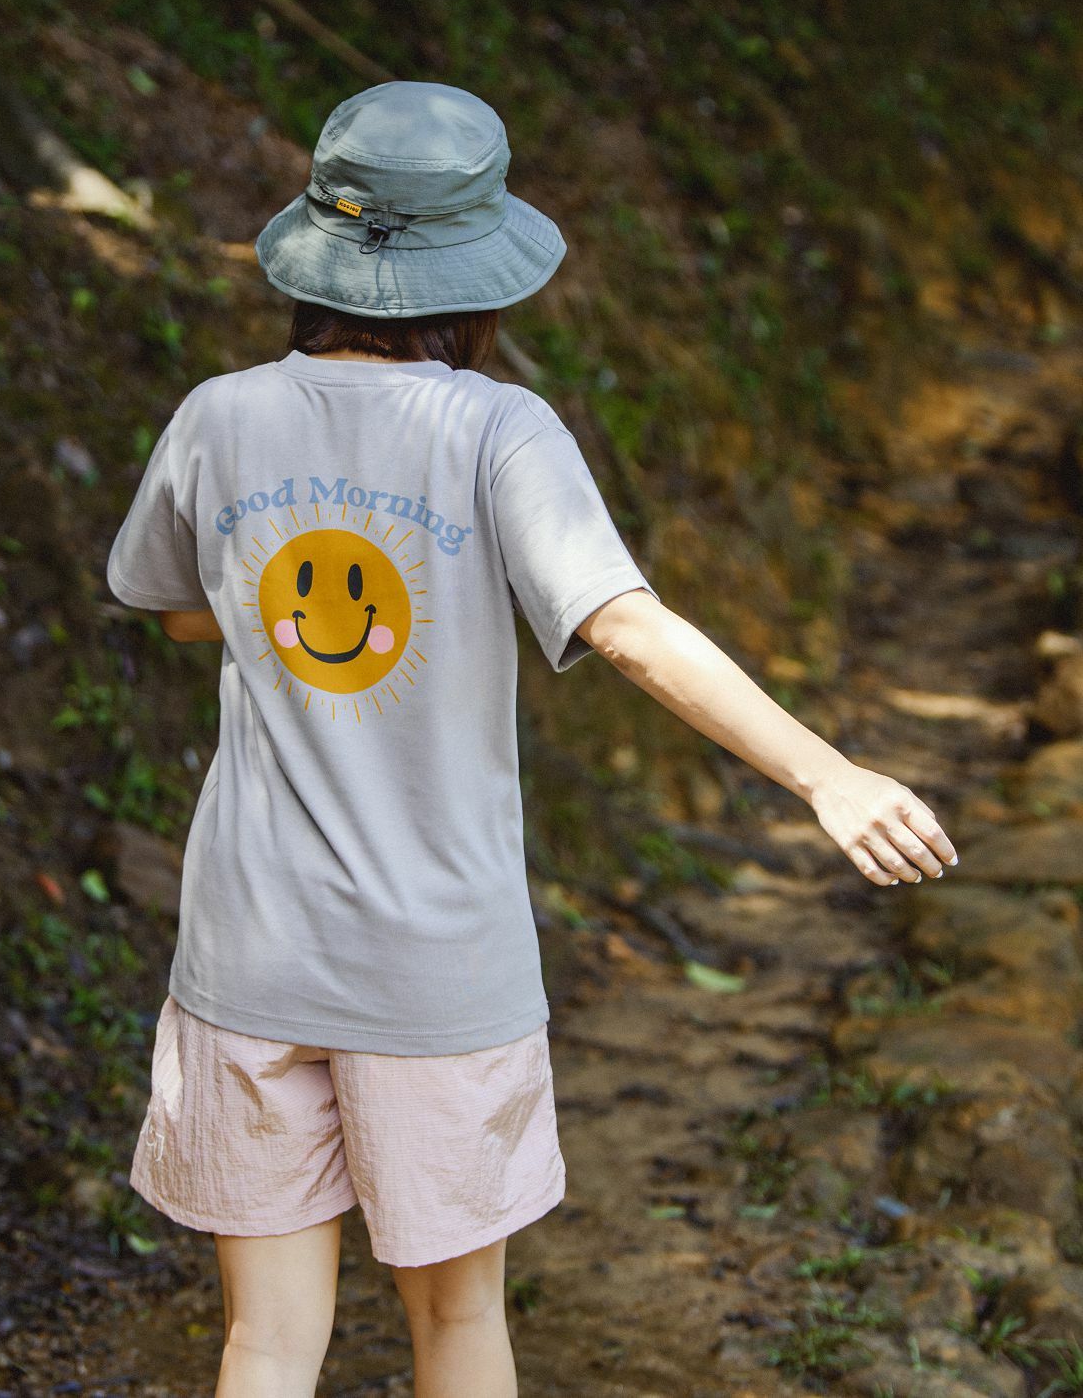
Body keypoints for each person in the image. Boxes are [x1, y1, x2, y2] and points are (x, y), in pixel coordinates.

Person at [105, 80, 957, 1398]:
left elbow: (177, 610)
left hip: (250, 952)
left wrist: (293, 584)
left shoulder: (219, 416)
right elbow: (626, 628)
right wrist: (825, 774)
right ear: (476, 276)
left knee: (265, 1340)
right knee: (457, 1323)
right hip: (436, 969)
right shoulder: (498, 429)